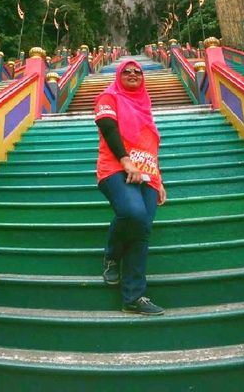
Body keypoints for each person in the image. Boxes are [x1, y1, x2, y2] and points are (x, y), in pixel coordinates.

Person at [94, 59, 166, 315]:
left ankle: (133, 298)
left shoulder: (145, 105)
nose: (134, 74)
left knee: (142, 228)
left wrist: (159, 180)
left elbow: (149, 145)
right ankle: (112, 255)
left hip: (147, 174)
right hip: (114, 169)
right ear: (118, 75)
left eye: (138, 72)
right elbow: (108, 127)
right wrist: (126, 162)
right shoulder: (108, 96)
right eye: (127, 71)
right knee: (133, 213)